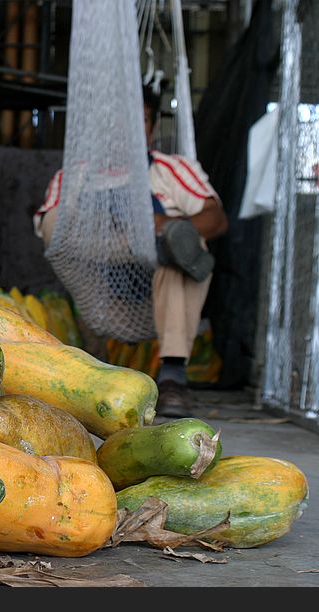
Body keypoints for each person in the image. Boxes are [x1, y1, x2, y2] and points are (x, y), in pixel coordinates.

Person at [33, 85, 228, 418]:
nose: (135, 131)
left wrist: (162, 222)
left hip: (156, 302)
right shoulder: (74, 176)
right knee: (56, 220)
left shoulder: (172, 170)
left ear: (152, 128)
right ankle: (150, 244)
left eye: (145, 120)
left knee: (188, 243)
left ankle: (172, 377)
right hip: (101, 296)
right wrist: (138, 237)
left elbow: (216, 218)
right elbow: (49, 230)